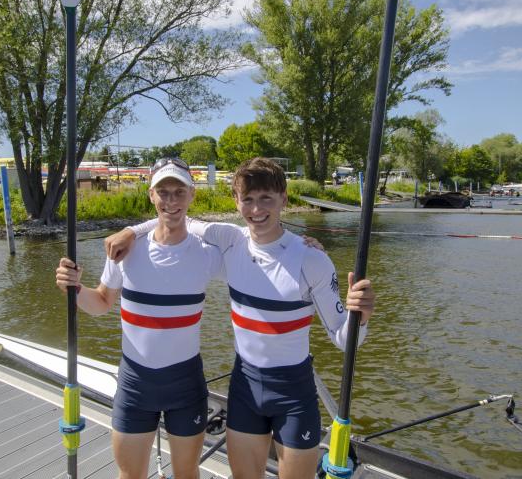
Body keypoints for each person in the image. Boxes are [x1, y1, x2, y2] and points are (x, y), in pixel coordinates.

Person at [105, 157, 375, 479]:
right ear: (236, 202)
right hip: (245, 387)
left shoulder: (313, 260)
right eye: (247, 199)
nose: (256, 209)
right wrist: (130, 232)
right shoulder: (230, 242)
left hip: (294, 394)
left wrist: (362, 316)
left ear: (284, 200)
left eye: (266, 199)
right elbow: (177, 220)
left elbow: (346, 341)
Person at [55, 158, 223, 479]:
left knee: (187, 473)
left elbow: (257, 253)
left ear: (192, 197)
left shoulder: (207, 253)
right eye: (163, 192)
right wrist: (73, 288)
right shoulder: (125, 251)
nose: (171, 200)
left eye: (179, 192)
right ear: (151, 196)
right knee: (130, 475)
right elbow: (102, 302)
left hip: (185, 384)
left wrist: (302, 248)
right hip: (135, 384)